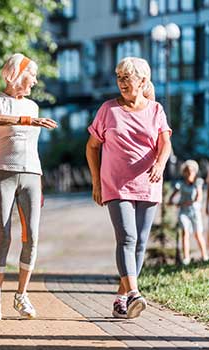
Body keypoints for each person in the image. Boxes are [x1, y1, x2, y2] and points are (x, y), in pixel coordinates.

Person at [86, 57, 172, 319]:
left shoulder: (156, 109)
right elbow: (92, 146)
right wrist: (96, 180)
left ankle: (121, 297)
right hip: (116, 184)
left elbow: (165, 144)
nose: (122, 83)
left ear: (143, 81)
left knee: (140, 243)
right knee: (127, 238)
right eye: (119, 77)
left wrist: (159, 164)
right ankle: (135, 293)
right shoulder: (108, 110)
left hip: (148, 184)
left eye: (128, 78)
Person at [0, 53, 57, 320]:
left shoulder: (33, 106)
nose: (35, 81)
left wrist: (40, 182)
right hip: (2, 171)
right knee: (3, 236)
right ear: (17, 73)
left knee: (32, 237)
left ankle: (21, 296)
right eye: (32, 75)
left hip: (31, 175)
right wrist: (28, 121)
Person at [168, 160, 208, 264]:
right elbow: (171, 198)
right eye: (187, 171)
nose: (190, 173)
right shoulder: (180, 184)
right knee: (185, 232)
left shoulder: (198, 183)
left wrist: (188, 202)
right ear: (184, 172)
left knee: (197, 234)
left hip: (195, 212)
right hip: (183, 212)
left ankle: (204, 256)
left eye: (192, 171)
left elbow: (199, 197)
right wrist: (174, 203)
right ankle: (186, 258)